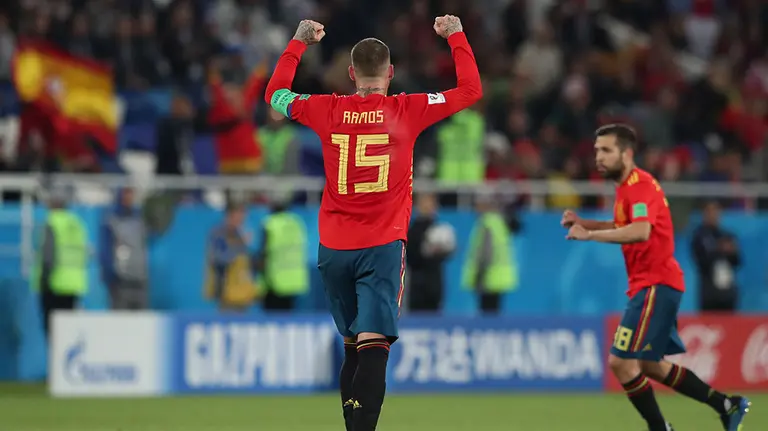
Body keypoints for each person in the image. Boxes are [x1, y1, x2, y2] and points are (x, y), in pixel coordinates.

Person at [264, 15, 481, 431]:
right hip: (381, 245)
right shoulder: (408, 109)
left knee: (353, 347)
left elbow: (275, 96)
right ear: (391, 73)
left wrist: (297, 43)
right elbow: (471, 90)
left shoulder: (325, 109)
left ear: (351, 74)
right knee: (374, 345)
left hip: (333, 248)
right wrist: (455, 34)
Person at [562, 124, 750, 431]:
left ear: (627, 153)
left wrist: (589, 237)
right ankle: (726, 405)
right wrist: (587, 223)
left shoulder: (640, 186)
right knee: (650, 365)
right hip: (653, 285)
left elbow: (640, 230)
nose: (599, 157)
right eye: (597, 150)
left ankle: (660, 428)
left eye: (606, 150)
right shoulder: (626, 188)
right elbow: (624, 222)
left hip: (655, 284)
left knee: (620, 363)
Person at [33, 189, 88, 338]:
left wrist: (44, 282)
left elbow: (48, 257)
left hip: (54, 285)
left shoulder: (52, 222)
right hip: (74, 285)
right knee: (67, 334)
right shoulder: (76, 223)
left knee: (53, 334)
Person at [461, 190, 517, 314]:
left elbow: (485, 252)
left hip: (488, 278)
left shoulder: (486, 223)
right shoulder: (499, 222)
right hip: (498, 277)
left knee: (487, 315)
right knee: (494, 314)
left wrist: (479, 275)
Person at [255, 192, 309, 311]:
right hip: (294, 280)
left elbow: (263, 254)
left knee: (272, 324)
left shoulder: (269, 224)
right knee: (287, 320)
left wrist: (260, 284)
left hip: (274, 283)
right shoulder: (296, 222)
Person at [203, 202, 258, 312]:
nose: (241, 222)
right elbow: (220, 258)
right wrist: (240, 244)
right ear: (230, 216)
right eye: (239, 218)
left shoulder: (240, 234)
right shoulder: (218, 234)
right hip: (227, 294)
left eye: (243, 219)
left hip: (243, 294)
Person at [100, 188, 149, 310]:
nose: (129, 198)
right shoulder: (112, 220)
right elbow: (106, 249)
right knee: (121, 321)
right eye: (126, 194)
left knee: (141, 322)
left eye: (131, 194)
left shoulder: (140, 219)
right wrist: (109, 275)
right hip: (120, 280)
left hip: (140, 279)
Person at [406, 193, 455, 312]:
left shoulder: (440, 229)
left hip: (434, 282)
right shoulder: (412, 230)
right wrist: (425, 251)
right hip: (417, 283)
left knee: (433, 315)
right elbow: (410, 257)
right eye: (425, 203)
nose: (428, 207)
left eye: (431, 203)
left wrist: (444, 251)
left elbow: (445, 254)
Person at [691, 200, 740, 312]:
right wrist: (719, 249)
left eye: (716, 212)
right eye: (710, 212)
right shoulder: (699, 236)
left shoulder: (727, 235)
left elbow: (737, 261)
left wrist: (731, 251)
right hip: (709, 292)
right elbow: (701, 260)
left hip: (727, 291)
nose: (714, 215)